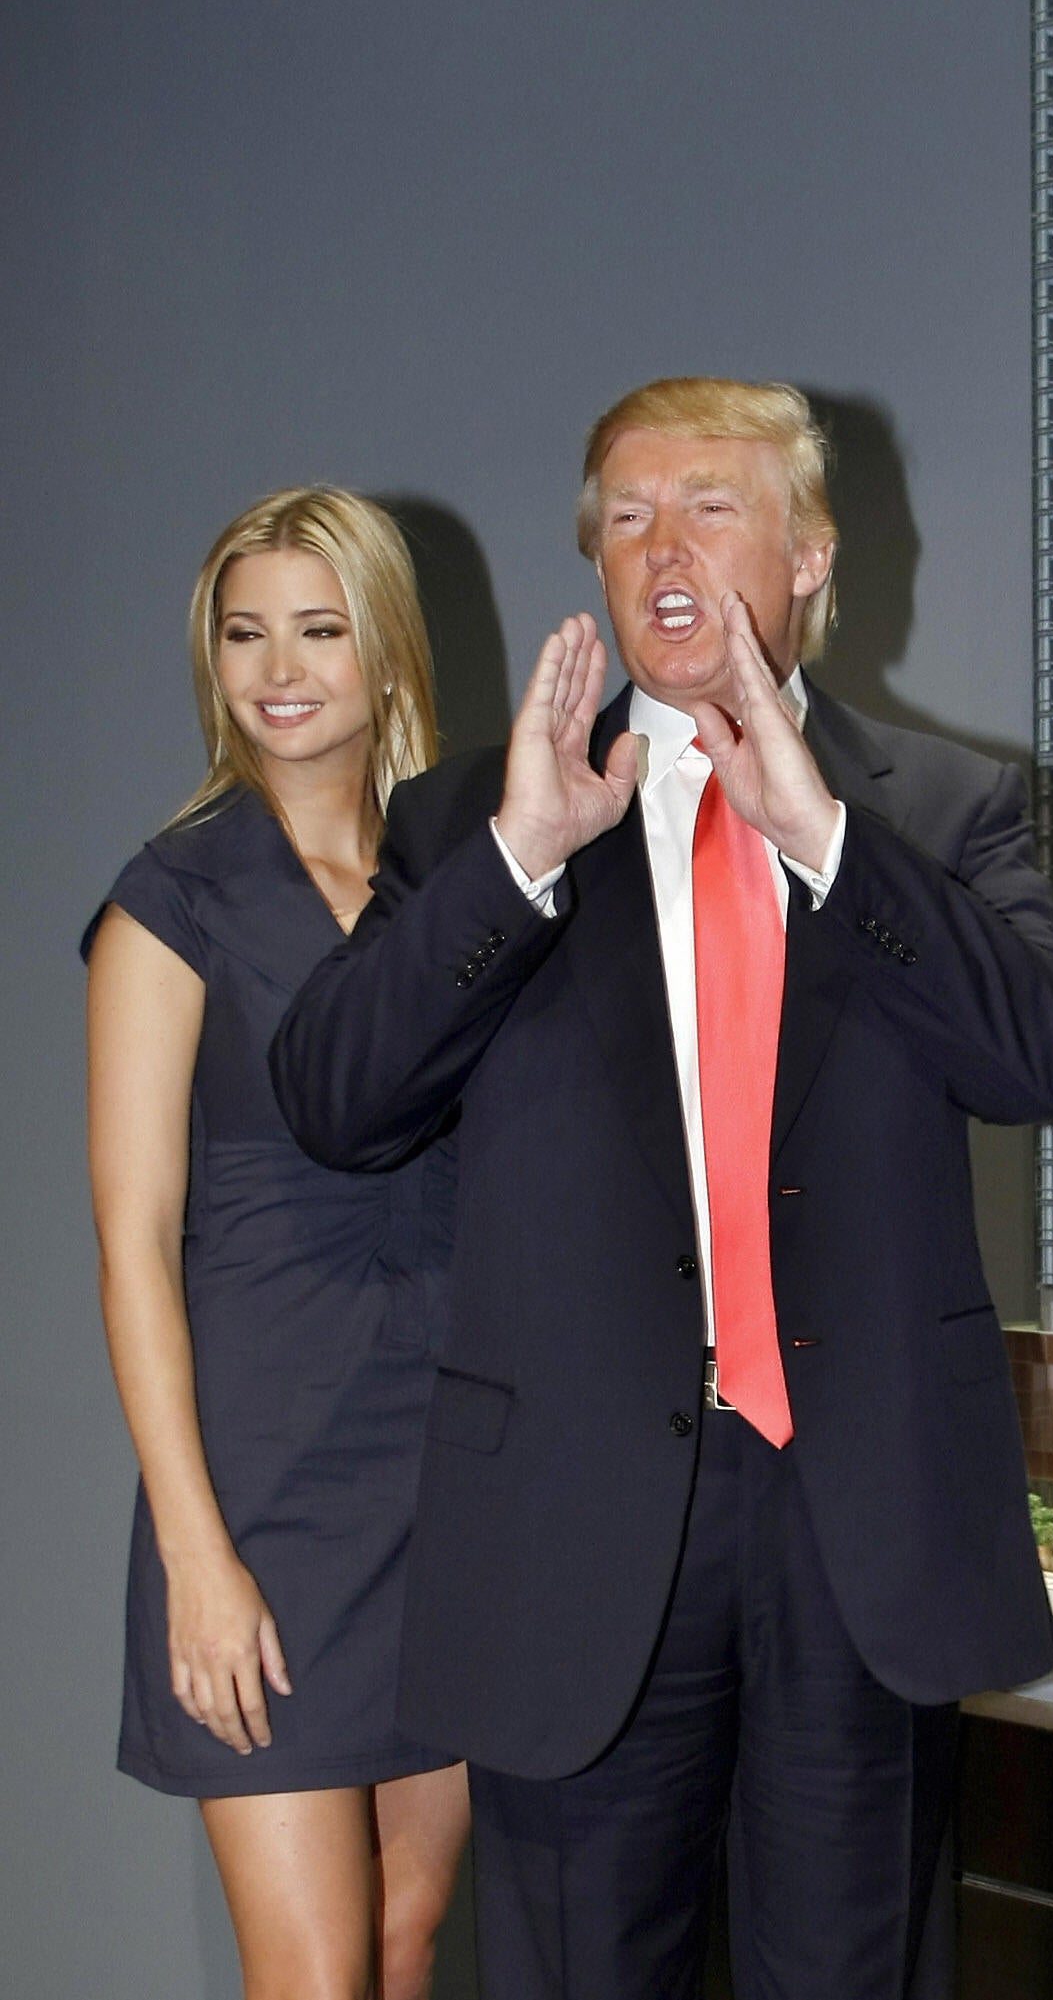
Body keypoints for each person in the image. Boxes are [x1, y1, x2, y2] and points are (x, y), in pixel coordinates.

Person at [271, 377, 1053, 1997]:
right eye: (627, 516)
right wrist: (519, 861)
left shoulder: (941, 808)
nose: (662, 543)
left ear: (809, 554)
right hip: (578, 1529)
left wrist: (821, 835)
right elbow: (333, 1100)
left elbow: (1044, 1056)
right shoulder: (473, 813)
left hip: (856, 1525)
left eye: (710, 504)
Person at [83, 487, 469, 1999]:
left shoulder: (453, 893)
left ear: (383, 654)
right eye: (245, 633)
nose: (279, 666)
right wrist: (196, 1553)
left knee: (401, 1935)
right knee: (311, 1972)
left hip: (443, 1468)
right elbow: (132, 1243)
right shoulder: (167, 902)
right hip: (265, 1492)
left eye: (319, 628)